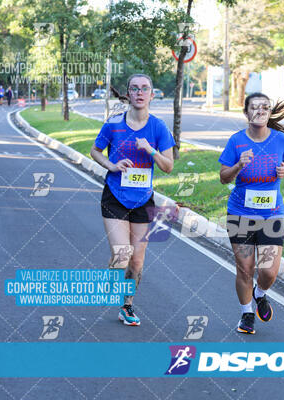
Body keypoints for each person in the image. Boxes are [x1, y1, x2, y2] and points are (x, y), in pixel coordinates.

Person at [90, 73, 175, 326]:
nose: (140, 92)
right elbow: (95, 151)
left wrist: (150, 149)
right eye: (135, 88)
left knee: (137, 261)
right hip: (115, 197)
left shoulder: (158, 127)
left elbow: (168, 166)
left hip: (143, 200)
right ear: (128, 93)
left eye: (145, 88)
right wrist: (112, 165)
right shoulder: (114, 124)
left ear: (151, 94)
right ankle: (112, 278)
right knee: (122, 255)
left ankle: (126, 306)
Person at [219, 93, 284, 334]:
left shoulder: (280, 140)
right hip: (240, 215)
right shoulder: (236, 141)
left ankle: (260, 293)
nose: (260, 111)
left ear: (268, 112)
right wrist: (238, 166)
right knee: (245, 269)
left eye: (265, 107)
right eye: (254, 108)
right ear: (246, 113)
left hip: (272, 215)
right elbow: (224, 177)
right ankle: (246, 314)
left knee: (268, 271)